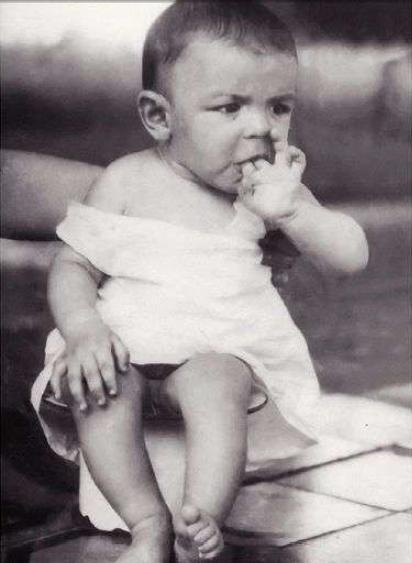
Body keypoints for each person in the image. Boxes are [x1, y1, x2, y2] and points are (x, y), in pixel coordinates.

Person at [31, 2, 369, 562]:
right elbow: (74, 265)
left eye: (279, 107)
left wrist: (293, 212)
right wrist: (84, 329)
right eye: (229, 107)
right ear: (159, 116)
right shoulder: (126, 181)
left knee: (220, 380)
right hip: (122, 348)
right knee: (101, 387)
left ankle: (202, 519)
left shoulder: (273, 191)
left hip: (215, 353)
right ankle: (147, 523)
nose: (260, 127)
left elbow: (351, 254)